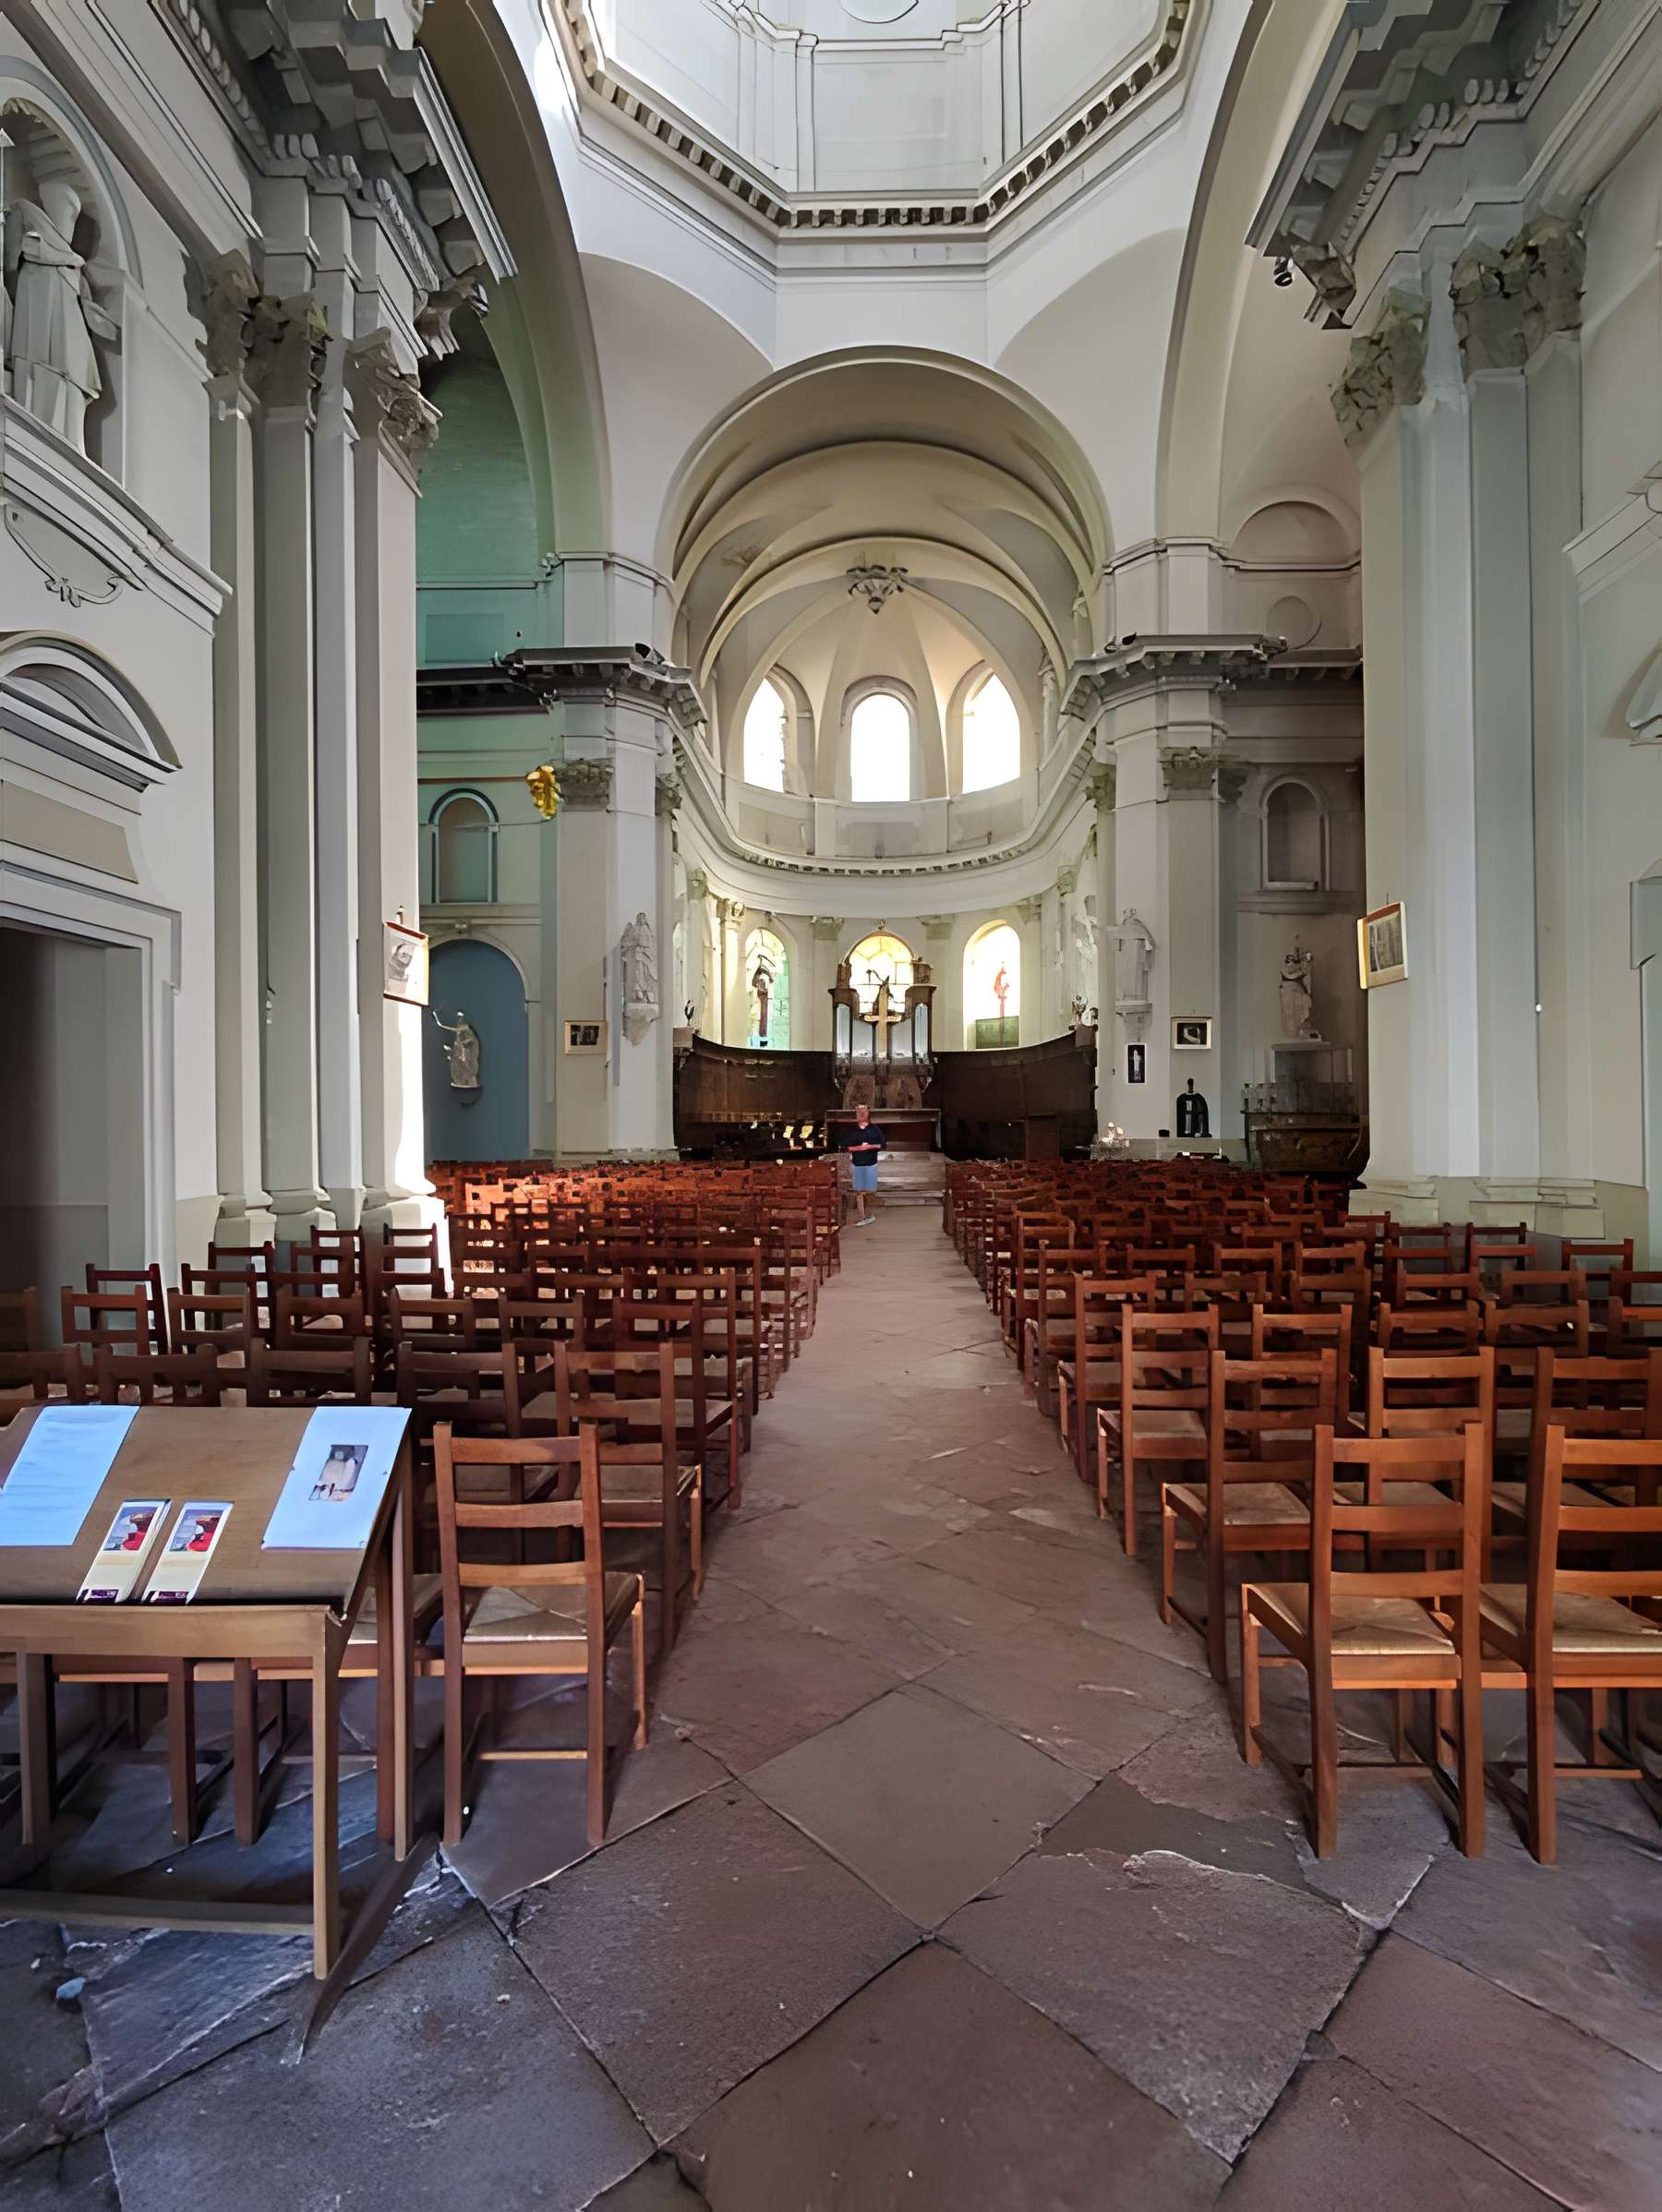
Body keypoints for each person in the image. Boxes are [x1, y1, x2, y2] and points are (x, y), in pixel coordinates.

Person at [843, 1101, 886, 1225]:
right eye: (859, 1111)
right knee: (859, 1191)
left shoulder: (874, 1129)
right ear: (856, 1114)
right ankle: (862, 1216)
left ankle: (868, 1214)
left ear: (868, 1113)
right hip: (857, 1164)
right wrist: (860, 1148)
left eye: (864, 1111)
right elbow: (847, 1147)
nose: (861, 1113)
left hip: (871, 1163)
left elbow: (882, 1145)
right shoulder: (852, 1130)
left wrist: (869, 1147)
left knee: (869, 1190)